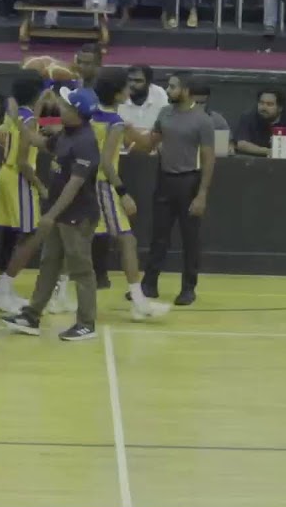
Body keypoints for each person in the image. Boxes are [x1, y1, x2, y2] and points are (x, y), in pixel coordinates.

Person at [1, 88, 101, 342]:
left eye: (66, 107)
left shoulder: (85, 142)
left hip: (77, 217)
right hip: (60, 216)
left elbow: (75, 184)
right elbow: (39, 142)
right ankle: (32, 315)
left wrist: (50, 214)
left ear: (77, 114)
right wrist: (17, 121)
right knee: (49, 264)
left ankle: (86, 323)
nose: (61, 110)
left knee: (81, 270)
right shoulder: (66, 134)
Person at [86, 70, 169, 320]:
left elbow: (143, 142)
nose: (130, 90)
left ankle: (57, 295)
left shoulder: (90, 115)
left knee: (78, 240)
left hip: (85, 183)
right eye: (126, 87)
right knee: (127, 240)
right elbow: (107, 163)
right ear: (118, 93)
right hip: (103, 185)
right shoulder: (115, 123)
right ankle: (139, 301)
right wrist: (123, 192)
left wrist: (152, 135)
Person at [142, 73, 216, 306]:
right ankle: (149, 284)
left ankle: (188, 288)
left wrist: (202, 194)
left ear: (186, 91)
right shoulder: (164, 113)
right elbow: (150, 143)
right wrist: (129, 132)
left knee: (190, 238)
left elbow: (208, 159)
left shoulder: (202, 120)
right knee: (159, 236)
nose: (168, 89)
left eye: (173, 86)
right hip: (164, 177)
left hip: (189, 181)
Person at [0, 71, 46, 312]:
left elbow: (1, 136)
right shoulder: (28, 119)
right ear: (38, 93)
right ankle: (2, 288)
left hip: (6, 174)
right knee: (32, 233)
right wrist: (40, 185)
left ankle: (4, 288)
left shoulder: (16, 115)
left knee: (21, 234)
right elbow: (23, 160)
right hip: (19, 176)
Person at [234, 89, 286, 156]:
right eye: (261, 103)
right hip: (256, 159)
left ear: (280, 108)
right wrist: (268, 151)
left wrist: (281, 151)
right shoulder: (248, 115)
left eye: (269, 104)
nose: (263, 107)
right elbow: (241, 144)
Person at [119, 65, 169, 132]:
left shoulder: (160, 93)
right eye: (129, 80)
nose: (132, 84)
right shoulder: (119, 94)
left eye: (138, 81)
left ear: (148, 82)